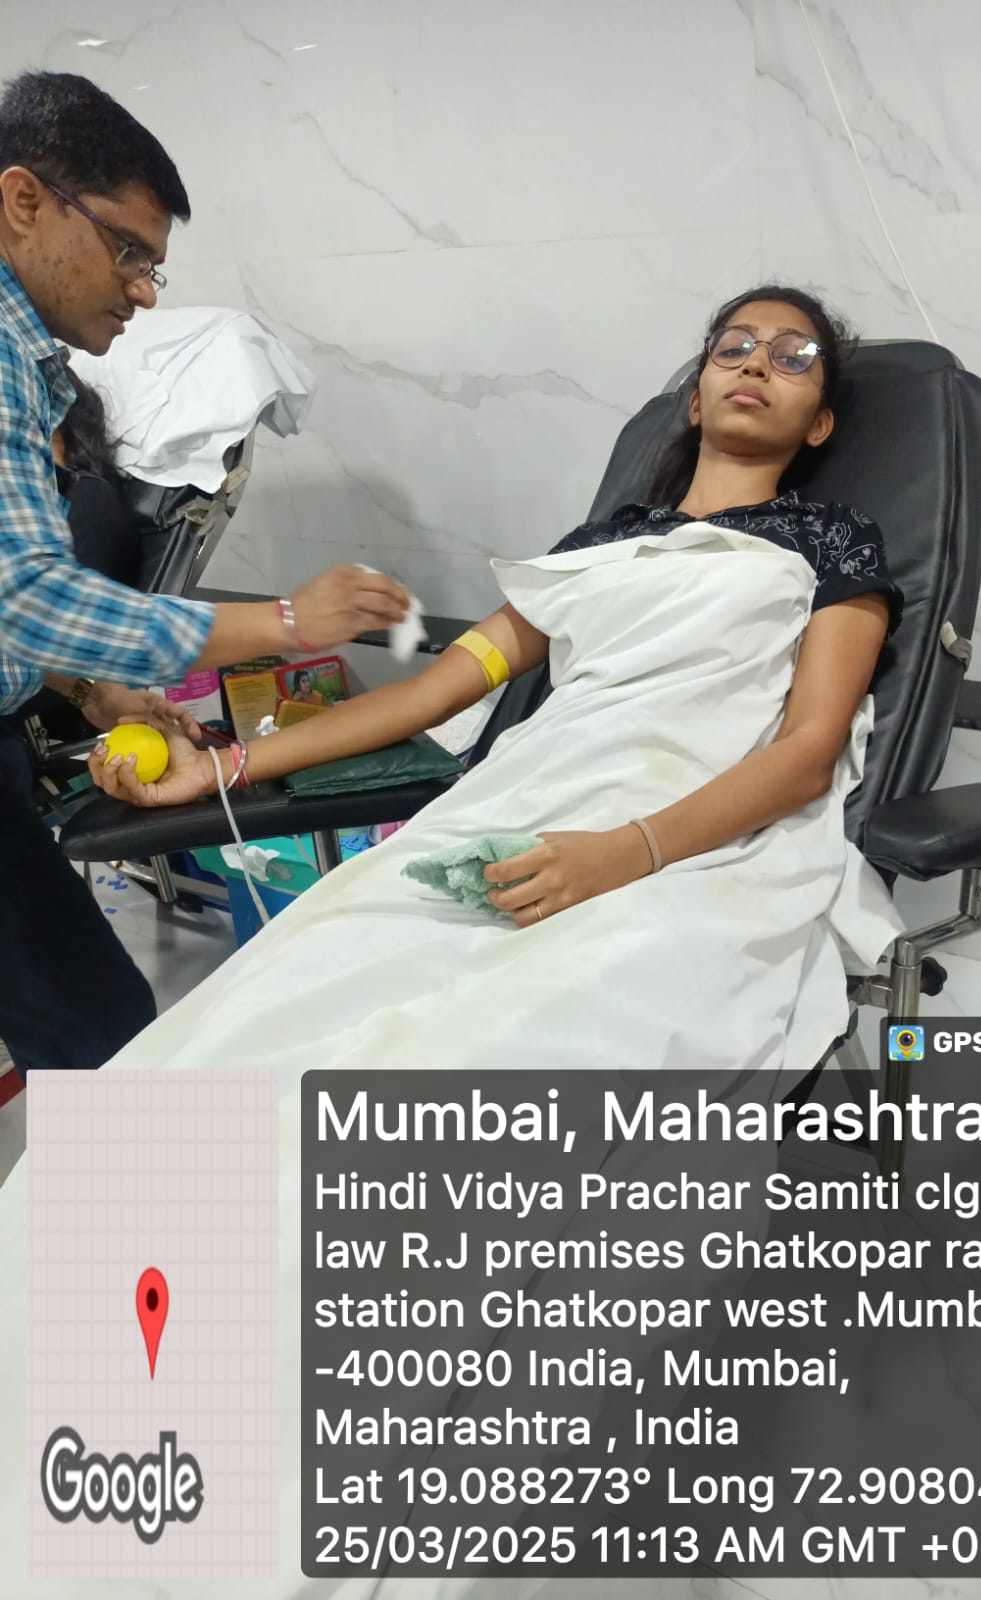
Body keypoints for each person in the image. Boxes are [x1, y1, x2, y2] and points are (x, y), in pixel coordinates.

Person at [80, 285, 908, 1590]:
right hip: (514, 813)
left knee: (484, 1067)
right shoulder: (595, 551)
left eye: (791, 356)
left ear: (818, 423)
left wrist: (620, 855)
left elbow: (807, 754)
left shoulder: (831, 550)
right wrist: (220, 765)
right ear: (696, 392)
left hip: (685, 839)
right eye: (733, 347)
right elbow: (429, 692)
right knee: (261, 1021)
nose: (757, 363)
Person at [0, 70, 411, 1077]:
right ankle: (172, 1192)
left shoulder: (34, 367)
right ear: (23, 201)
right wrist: (283, 624)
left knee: (90, 1017)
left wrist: (91, 689)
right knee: (100, 1027)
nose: (144, 290)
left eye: (154, 266)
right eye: (129, 251)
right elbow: (23, 593)